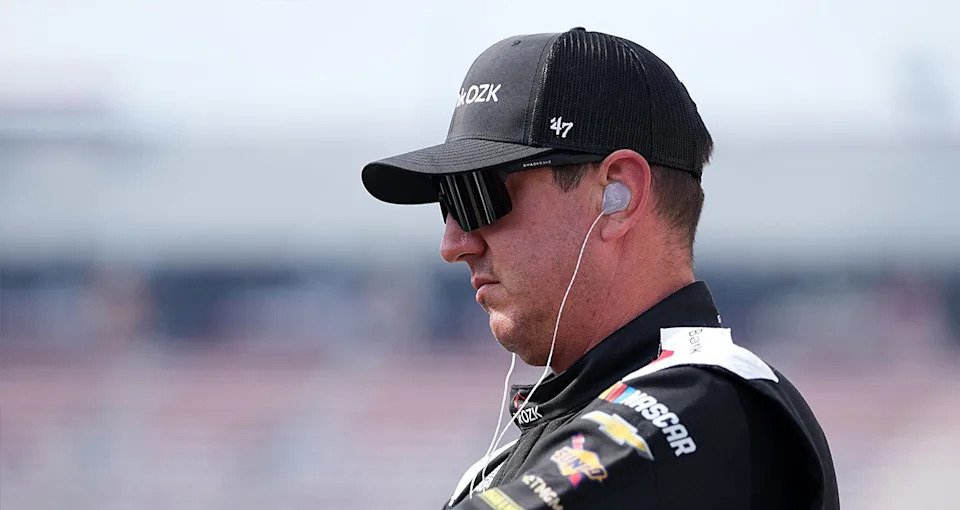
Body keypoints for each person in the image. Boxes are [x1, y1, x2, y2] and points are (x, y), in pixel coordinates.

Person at [362, 27, 839, 510]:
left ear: (618, 194)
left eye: (477, 195)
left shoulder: (705, 405)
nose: (453, 244)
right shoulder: (517, 454)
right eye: (447, 203)